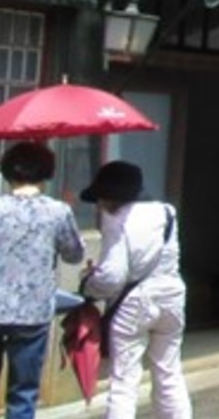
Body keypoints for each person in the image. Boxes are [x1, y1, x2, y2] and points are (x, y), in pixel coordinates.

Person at [81, 160, 190, 419]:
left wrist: (88, 285)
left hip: (134, 303)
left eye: (101, 198)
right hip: (172, 295)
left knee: (124, 381)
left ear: (111, 196)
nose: (99, 205)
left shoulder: (116, 221)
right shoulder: (166, 213)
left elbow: (112, 276)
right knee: (169, 372)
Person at [0, 142, 84, 419]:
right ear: (46, 174)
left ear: (7, 172)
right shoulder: (57, 211)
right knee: (23, 393)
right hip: (33, 312)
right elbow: (74, 254)